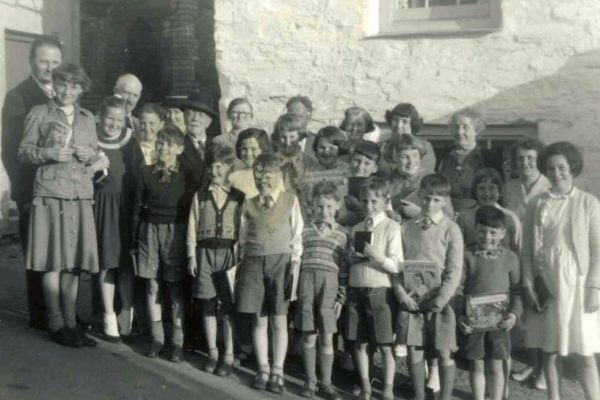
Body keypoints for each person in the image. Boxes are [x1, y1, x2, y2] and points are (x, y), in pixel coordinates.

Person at [18, 63, 104, 348]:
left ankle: (71, 323)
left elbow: (93, 154)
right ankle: (55, 322)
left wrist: (89, 154)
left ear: (82, 90)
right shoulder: (40, 113)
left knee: (73, 263)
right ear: (54, 84)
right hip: (51, 192)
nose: (68, 91)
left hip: (79, 194)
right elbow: (23, 152)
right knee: (52, 261)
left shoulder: (87, 118)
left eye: (75, 86)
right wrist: (48, 153)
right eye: (63, 84)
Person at [521, 141, 600, 400]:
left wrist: (594, 288)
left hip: (578, 283)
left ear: (572, 167)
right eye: (551, 168)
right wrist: (530, 283)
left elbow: (598, 250)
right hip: (547, 283)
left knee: (585, 352)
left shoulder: (589, 203)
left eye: (562, 167)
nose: (557, 173)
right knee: (550, 350)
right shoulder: (536, 203)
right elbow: (527, 251)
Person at [1, 35, 62, 330]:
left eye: (55, 62)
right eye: (44, 61)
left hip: (61, 189)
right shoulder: (19, 96)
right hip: (33, 190)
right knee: (37, 251)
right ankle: (41, 315)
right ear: (31, 62)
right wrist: (23, 193)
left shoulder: (64, 94)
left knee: (60, 250)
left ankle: (62, 312)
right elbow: (10, 149)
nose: (50, 68)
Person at [236, 153, 304, 394]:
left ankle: (278, 370)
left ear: (279, 176)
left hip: (281, 264)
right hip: (254, 264)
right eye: (258, 174)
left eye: (268, 174)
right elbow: (242, 239)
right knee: (259, 318)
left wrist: (293, 267)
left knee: (279, 319)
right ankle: (262, 368)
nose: (263, 179)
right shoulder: (249, 203)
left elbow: (297, 237)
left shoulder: (290, 200)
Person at [394, 173, 463, 400]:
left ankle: (445, 396)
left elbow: (454, 270)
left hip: (440, 301)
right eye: (426, 198)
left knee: (443, 350)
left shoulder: (451, 229)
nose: (430, 203)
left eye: (436, 199)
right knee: (414, 349)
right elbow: (397, 265)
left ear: (444, 201)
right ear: (419, 195)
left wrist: (441, 299)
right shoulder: (406, 227)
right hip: (413, 299)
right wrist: (401, 293)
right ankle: (419, 394)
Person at [131, 125, 192, 362]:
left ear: (179, 148)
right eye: (160, 143)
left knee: (174, 286)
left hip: (176, 231)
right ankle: (157, 338)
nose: (163, 148)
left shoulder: (186, 176)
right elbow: (137, 208)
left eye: (169, 144)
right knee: (152, 285)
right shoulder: (145, 172)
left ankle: (177, 342)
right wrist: (134, 240)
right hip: (149, 230)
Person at [187, 145, 245, 376]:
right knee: (208, 304)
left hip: (229, 255)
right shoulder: (200, 196)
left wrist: (239, 259)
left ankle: (228, 354)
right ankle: (212, 352)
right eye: (211, 166)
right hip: (205, 254)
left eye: (219, 166)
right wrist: (191, 256)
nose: (214, 171)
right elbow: (192, 226)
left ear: (229, 168)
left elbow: (242, 229)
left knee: (228, 306)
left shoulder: (238, 197)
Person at [346, 177, 402, 400]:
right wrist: (351, 258)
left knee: (385, 345)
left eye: (374, 202)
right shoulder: (357, 228)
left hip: (380, 291)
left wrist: (375, 256)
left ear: (385, 201)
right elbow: (355, 259)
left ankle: (388, 388)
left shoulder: (391, 227)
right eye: (365, 201)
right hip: (357, 287)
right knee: (360, 342)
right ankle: (366, 387)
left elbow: (396, 265)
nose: (368, 206)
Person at [457, 206, 522, 400]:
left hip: (499, 324)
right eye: (482, 231)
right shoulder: (466, 255)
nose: (487, 236)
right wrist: (461, 316)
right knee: (476, 364)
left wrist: (513, 315)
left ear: (502, 233)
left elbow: (517, 290)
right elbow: (458, 290)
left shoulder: (510, 258)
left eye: (493, 232)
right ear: (475, 229)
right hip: (473, 323)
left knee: (496, 365)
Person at [503, 138, 550, 389]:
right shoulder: (510, 187)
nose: (525, 163)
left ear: (539, 160)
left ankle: (544, 371)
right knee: (528, 315)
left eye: (530, 158)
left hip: (542, 257)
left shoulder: (549, 185)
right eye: (520, 158)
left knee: (542, 312)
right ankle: (533, 363)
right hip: (518, 255)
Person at [296, 181, 348, 400]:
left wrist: (341, 297)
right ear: (312, 207)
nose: (324, 211)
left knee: (327, 337)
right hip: (307, 285)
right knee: (308, 336)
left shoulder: (342, 235)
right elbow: (297, 260)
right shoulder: (305, 231)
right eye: (319, 207)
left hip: (330, 288)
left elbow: (344, 269)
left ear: (337, 206)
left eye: (328, 207)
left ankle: (326, 383)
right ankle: (310, 381)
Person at [93, 96, 138, 342]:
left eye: (118, 119)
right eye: (109, 118)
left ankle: (125, 310)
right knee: (107, 262)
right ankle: (108, 314)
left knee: (126, 263)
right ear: (101, 116)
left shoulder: (130, 141)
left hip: (125, 207)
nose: (113, 123)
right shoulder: (92, 140)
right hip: (103, 208)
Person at [438, 109, 499, 213]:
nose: (459, 132)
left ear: (476, 130)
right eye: (456, 127)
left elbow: (496, 192)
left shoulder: (488, 158)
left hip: (478, 217)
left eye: (465, 127)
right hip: (446, 216)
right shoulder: (443, 156)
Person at [385, 134, 453, 221]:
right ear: (394, 159)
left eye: (415, 155)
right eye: (404, 157)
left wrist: (419, 213)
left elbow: (449, 216)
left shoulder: (433, 179)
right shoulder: (387, 183)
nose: (411, 161)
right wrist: (389, 215)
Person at [456, 168, 522, 253]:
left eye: (492, 188)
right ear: (475, 190)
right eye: (482, 188)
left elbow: (518, 250)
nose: (487, 193)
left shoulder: (510, 218)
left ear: (499, 191)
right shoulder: (464, 217)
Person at [380, 103, 436, 174]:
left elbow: (426, 172)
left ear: (412, 124)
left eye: (405, 121)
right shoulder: (383, 146)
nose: (399, 125)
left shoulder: (424, 146)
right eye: (395, 120)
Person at [336, 140, 381, 228]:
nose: (360, 167)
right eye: (357, 160)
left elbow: (383, 214)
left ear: (375, 168)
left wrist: (359, 206)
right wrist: (342, 220)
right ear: (349, 162)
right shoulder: (340, 185)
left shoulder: (378, 189)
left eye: (367, 163)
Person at [228, 127, 272, 198]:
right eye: (244, 149)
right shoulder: (233, 178)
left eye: (253, 149)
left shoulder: (274, 175)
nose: (248, 154)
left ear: (263, 149)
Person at [131, 103, 167, 169]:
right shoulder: (133, 148)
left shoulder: (166, 148)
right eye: (143, 123)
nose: (147, 128)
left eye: (151, 123)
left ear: (161, 125)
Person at [113, 73, 143, 139]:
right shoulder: (96, 122)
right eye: (127, 93)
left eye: (135, 95)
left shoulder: (140, 125)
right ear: (115, 91)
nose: (130, 100)